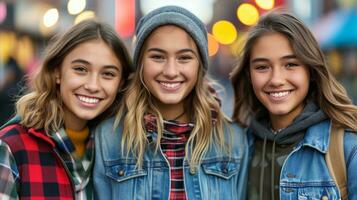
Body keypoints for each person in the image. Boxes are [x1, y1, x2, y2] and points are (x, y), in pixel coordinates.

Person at [93, 5, 248, 200]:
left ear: (199, 65)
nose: (171, 71)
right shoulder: (108, 137)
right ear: (140, 64)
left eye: (184, 58)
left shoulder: (233, 139)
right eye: (157, 57)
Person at [230, 11, 357, 200]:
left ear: (311, 71)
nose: (276, 80)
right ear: (249, 75)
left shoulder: (348, 147)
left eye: (290, 64)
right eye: (262, 67)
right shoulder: (238, 147)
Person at [0, 19, 133, 199]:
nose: (93, 85)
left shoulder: (116, 151)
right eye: (80, 69)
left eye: (108, 74)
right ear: (57, 72)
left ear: (121, 83)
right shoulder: (11, 147)